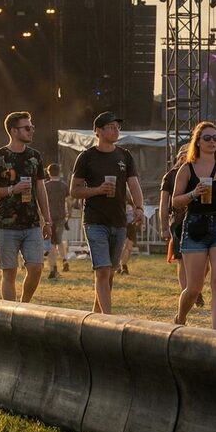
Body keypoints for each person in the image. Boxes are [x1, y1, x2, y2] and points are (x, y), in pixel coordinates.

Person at [171, 122, 216, 329]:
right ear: (198, 142)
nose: (212, 142)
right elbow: (175, 201)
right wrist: (194, 193)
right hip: (195, 225)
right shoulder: (187, 168)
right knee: (194, 287)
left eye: (215, 138)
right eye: (207, 138)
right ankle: (180, 318)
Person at [69, 112, 143, 313]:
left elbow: (134, 184)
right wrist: (97, 190)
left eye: (118, 127)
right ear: (98, 131)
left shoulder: (125, 155)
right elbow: (74, 190)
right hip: (95, 221)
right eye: (111, 127)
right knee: (102, 270)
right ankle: (109, 320)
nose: (116, 130)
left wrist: (139, 207)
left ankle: (96, 316)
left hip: (118, 221)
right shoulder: (86, 157)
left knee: (110, 272)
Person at [0, 111, 52, 303]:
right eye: (27, 128)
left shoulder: (35, 156)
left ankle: (24, 306)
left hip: (32, 223)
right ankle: (11, 312)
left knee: (36, 268)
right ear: (14, 131)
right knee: (9, 272)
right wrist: (12, 189)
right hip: (6, 224)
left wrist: (47, 219)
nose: (31, 131)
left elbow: (41, 189)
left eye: (32, 127)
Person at [159, 145, 196, 305]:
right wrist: (164, 227)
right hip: (179, 222)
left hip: (197, 219)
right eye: (183, 155)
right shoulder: (170, 176)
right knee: (181, 259)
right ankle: (186, 292)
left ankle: (194, 288)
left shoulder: (199, 172)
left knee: (199, 259)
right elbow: (163, 203)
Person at [45, 163, 71, 278]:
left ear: (48, 172)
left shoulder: (45, 186)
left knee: (51, 242)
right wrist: (68, 215)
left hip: (48, 217)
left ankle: (53, 268)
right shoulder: (64, 186)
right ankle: (64, 261)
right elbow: (69, 201)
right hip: (60, 216)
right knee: (59, 240)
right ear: (59, 172)